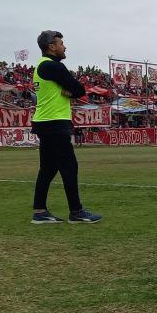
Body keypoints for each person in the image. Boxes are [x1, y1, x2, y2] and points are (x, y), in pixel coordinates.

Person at [30, 30, 102, 224]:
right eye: (61, 43)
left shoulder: (41, 66)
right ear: (51, 47)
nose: (64, 46)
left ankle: (39, 211)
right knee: (69, 166)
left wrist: (67, 91)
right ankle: (76, 212)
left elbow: (74, 89)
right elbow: (79, 89)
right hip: (54, 122)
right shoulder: (53, 66)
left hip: (45, 121)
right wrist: (69, 93)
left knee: (48, 169)